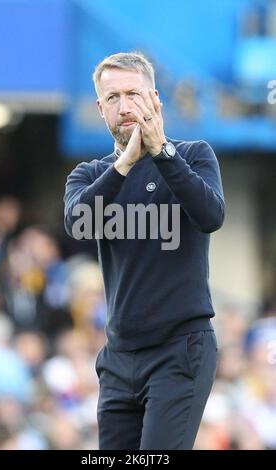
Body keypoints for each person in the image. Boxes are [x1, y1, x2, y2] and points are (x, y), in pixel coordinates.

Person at [64, 52, 225, 450]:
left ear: (154, 100)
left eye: (133, 94)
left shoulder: (192, 155)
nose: (124, 106)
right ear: (100, 109)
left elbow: (211, 215)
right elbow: (79, 224)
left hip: (180, 347)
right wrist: (123, 166)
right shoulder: (88, 174)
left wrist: (161, 153)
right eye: (113, 98)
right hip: (119, 354)